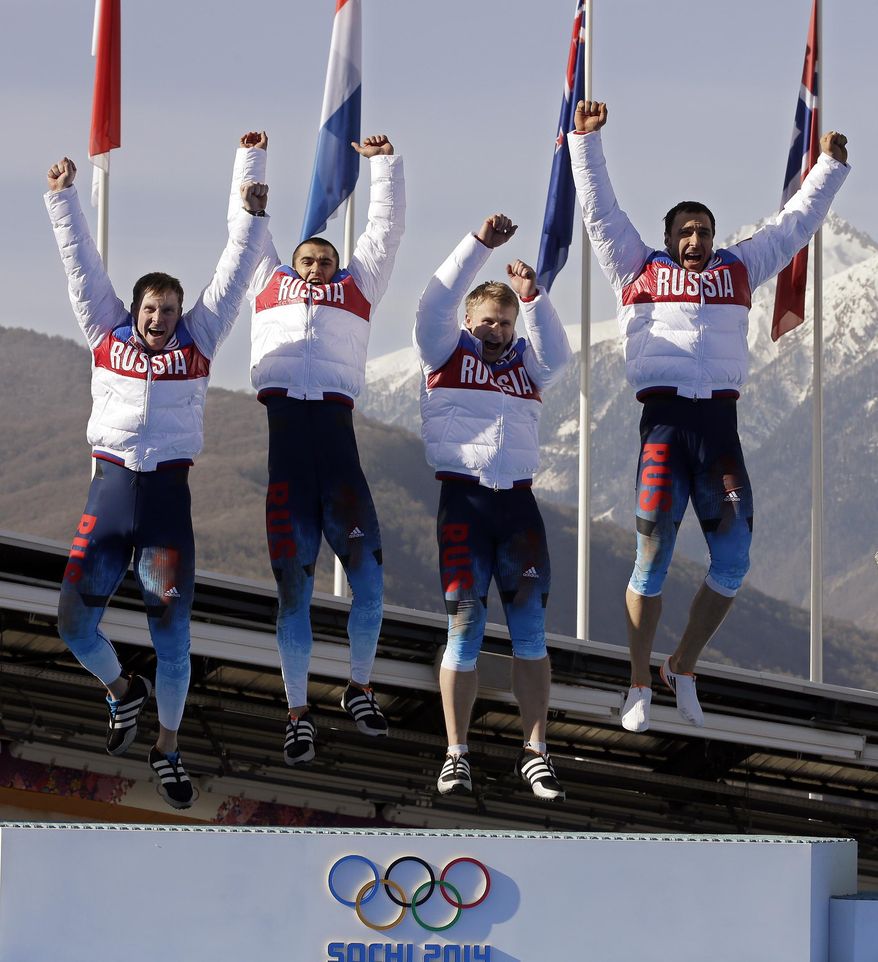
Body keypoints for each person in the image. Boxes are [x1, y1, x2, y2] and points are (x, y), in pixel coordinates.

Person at [569, 100, 850, 732]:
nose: (696, 240)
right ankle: (638, 681)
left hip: (720, 428)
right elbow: (601, 212)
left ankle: (683, 666)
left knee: (734, 560)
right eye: (685, 232)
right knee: (652, 557)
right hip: (664, 427)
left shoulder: (740, 268)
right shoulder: (636, 269)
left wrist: (829, 166)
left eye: (704, 231)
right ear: (669, 240)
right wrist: (585, 141)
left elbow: (793, 225)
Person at [47, 155, 269, 808]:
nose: (159, 317)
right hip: (111, 494)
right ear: (136, 308)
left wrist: (253, 218)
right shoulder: (105, 332)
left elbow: (229, 284)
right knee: (71, 625)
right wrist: (61, 197)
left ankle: (168, 747)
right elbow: (81, 266)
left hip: (168, 507)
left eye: (169, 309)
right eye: (151, 307)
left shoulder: (197, 344)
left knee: (174, 640)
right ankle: (121, 693)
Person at [229, 132, 405, 765]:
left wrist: (383, 165)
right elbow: (246, 229)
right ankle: (297, 711)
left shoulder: (358, 291)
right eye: (306, 260)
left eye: (326, 260)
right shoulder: (267, 282)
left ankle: (359, 687)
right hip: (288, 463)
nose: (316, 267)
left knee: (372, 585)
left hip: (339, 456)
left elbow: (384, 233)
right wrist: (251, 167)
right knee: (294, 595)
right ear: (290, 265)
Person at [414, 214, 572, 800]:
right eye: (487, 322)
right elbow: (434, 302)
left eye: (505, 323)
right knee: (465, 626)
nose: (496, 331)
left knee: (531, 634)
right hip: (464, 502)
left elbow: (560, 360)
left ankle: (536, 750)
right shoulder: (443, 349)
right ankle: (456, 752)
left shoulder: (528, 365)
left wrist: (533, 298)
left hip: (519, 509)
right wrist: (477, 245)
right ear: (468, 322)